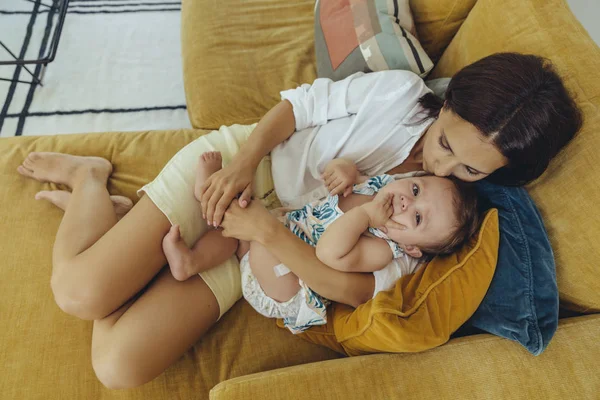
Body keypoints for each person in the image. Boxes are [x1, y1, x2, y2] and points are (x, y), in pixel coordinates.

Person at [16, 52, 581, 389]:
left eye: (470, 169)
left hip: (262, 248)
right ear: (447, 103)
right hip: (248, 173)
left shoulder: (443, 218)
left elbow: (348, 286)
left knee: (119, 366)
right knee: (80, 293)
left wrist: (264, 234)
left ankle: (124, 220)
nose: (441, 166)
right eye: (444, 143)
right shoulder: (399, 95)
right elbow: (299, 108)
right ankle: (91, 178)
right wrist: (239, 167)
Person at [162, 153, 480, 333]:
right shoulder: (382, 185)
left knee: (253, 227)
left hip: (290, 285)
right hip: (287, 234)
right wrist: (345, 170)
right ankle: (190, 261)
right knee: (236, 237)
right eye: (416, 190)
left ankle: (208, 195)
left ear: (411, 248)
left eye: (418, 219)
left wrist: (367, 216)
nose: (406, 204)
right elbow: (343, 182)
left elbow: (329, 253)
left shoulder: (382, 250)